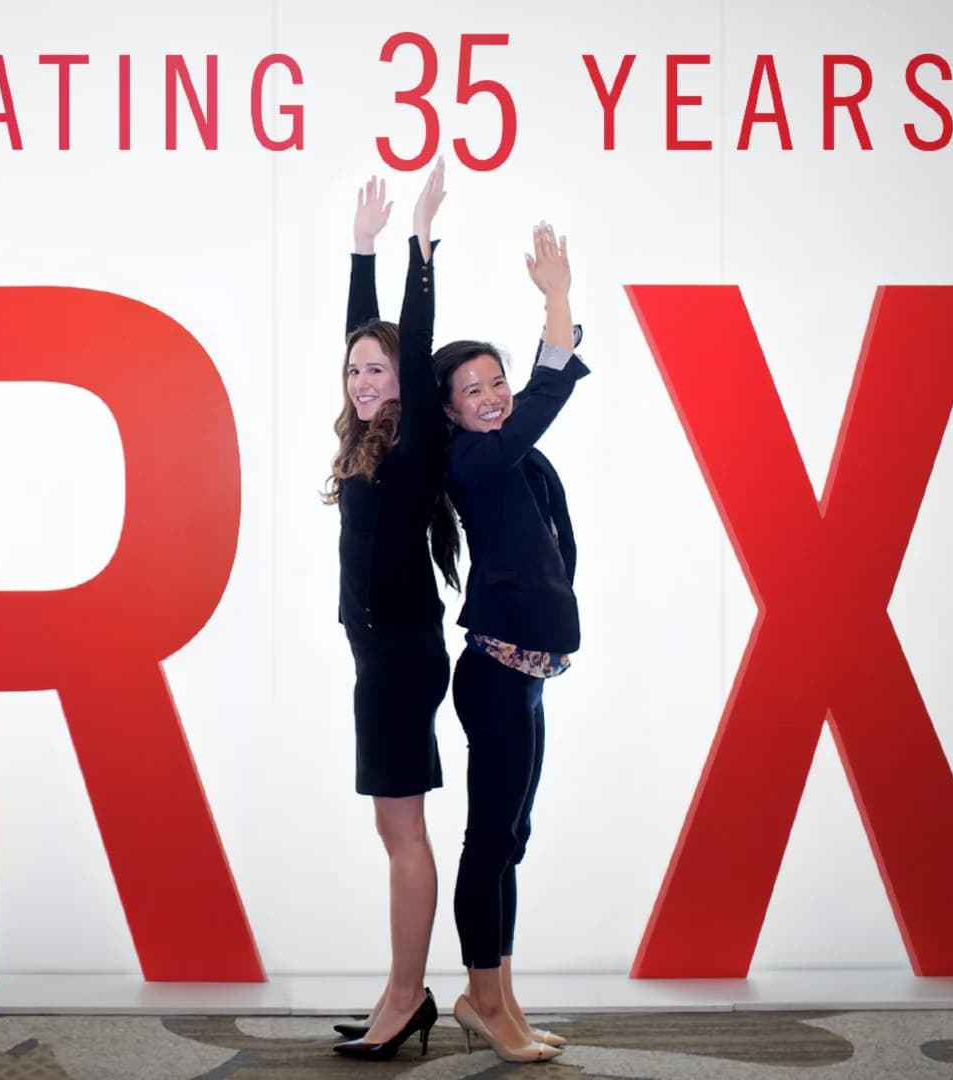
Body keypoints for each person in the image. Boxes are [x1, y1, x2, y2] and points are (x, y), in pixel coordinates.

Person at [434, 222, 587, 1065]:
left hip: (526, 679)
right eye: (474, 390)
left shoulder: (518, 462)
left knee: (511, 841)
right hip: (493, 677)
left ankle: (502, 996)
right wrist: (558, 302)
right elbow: (550, 391)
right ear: (451, 412)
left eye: (497, 383)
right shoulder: (475, 463)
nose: (493, 397)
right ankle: (482, 1001)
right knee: (488, 840)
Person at [323, 161, 459, 1062]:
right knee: (392, 828)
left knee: (402, 833)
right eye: (354, 370)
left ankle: (408, 998)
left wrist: (411, 246)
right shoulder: (367, 443)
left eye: (380, 369)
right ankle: (397, 990)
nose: (366, 379)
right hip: (382, 659)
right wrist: (359, 247)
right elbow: (362, 341)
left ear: (405, 381)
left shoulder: (408, 447)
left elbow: (410, 343)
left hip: (404, 658)